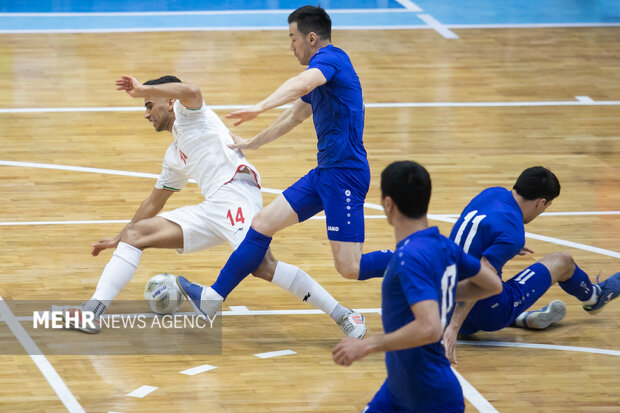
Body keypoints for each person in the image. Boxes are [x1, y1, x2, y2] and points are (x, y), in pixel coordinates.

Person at [50, 74, 366, 339]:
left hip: (234, 194)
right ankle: (92, 313)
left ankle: (344, 314)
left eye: (149, 105)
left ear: (168, 101)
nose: (146, 113)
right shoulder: (174, 156)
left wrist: (142, 89)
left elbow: (192, 90)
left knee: (263, 265)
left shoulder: (191, 114)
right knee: (136, 234)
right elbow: (154, 201)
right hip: (211, 208)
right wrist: (118, 238)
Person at [176, 5, 391, 318]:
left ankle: (422, 261)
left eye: (293, 38)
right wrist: (253, 142)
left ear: (312, 38)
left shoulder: (330, 60)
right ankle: (212, 298)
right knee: (261, 225)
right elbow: (295, 114)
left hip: (346, 176)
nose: (291, 45)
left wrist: (259, 107)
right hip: (325, 174)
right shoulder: (324, 77)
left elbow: (301, 84)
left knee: (349, 267)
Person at [332, 161, 502, 413]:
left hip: (429, 397)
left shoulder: (409, 257)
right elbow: (493, 284)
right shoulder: (442, 245)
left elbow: (430, 327)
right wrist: (443, 293)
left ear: (388, 204)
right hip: (399, 389)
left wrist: (367, 345)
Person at [442, 166, 620, 363]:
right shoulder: (512, 234)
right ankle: (594, 297)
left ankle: (522, 318)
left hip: (443, 302)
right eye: (546, 206)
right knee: (563, 261)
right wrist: (453, 327)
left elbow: (473, 234)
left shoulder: (491, 193)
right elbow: (480, 279)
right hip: (484, 313)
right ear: (541, 202)